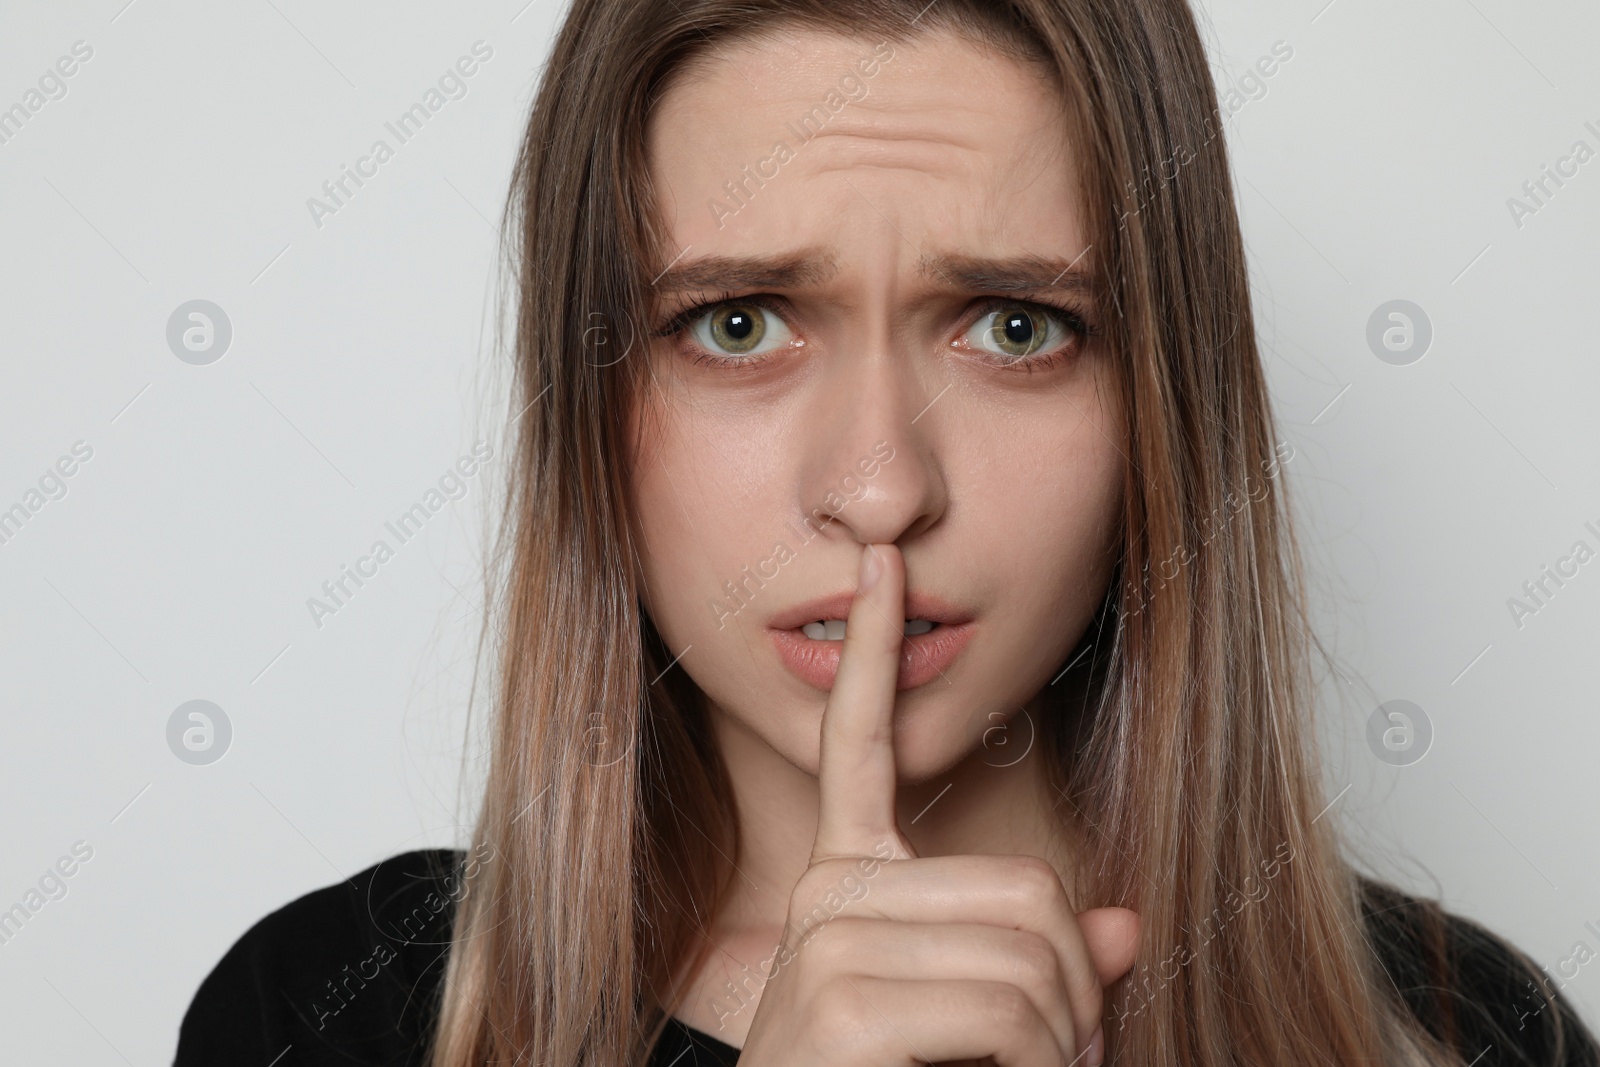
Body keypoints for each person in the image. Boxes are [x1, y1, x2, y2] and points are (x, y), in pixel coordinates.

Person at [175, 1, 1600, 1064]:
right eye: (737, 326)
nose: (877, 488)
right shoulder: (328, 1014)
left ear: (1165, 401)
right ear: (592, 399)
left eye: (1014, 326)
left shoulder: (1471, 1034)